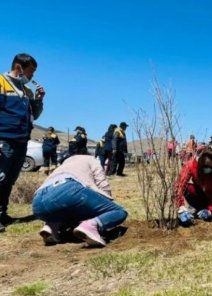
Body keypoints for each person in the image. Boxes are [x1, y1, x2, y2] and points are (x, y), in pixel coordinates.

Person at [32, 154, 128, 247]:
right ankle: (90, 226)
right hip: (68, 189)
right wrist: (106, 207)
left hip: (38, 203)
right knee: (119, 212)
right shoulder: (91, 159)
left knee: (69, 209)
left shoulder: (65, 164)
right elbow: (102, 183)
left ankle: (52, 226)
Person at [0, 53, 45, 232]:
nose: (32, 76)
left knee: (9, 180)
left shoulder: (26, 91)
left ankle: (2, 214)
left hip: (21, 141)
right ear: (19, 68)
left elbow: (34, 115)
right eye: (31, 72)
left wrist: (38, 100)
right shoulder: (1, 83)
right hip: (4, 140)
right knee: (0, 178)